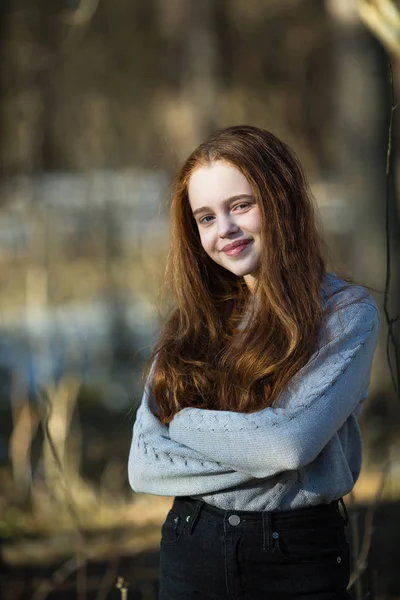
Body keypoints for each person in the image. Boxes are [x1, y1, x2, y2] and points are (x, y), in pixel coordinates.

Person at [128, 125, 380, 599]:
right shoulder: (190, 327)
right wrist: (258, 443)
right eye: (205, 217)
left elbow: (286, 445)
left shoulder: (346, 315)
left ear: (281, 200)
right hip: (191, 542)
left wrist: (182, 425)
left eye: (240, 206)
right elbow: (143, 466)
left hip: (297, 554)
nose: (224, 230)